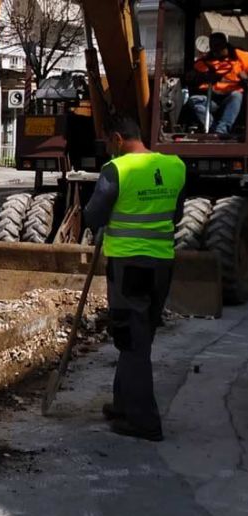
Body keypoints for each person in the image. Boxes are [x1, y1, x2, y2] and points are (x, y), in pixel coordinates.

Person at [84, 115, 186, 442]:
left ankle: (143, 421)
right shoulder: (175, 166)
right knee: (140, 336)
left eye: (107, 142)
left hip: (129, 265)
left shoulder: (117, 170)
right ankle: (124, 403)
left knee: (132, 339)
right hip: (162, 265)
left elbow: (93, 215)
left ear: (116, 138)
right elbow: (177, 213)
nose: (107, 148)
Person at [187, 32, 248, 135]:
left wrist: (244, 79)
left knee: (236, 95)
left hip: (231, 99)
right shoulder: (205, 61)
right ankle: (213, 130)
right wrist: (205, 77)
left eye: (219, 50)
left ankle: (222, 131)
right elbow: (191, 76)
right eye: (214, 50)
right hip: (212, 99)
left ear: (225, 46)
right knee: (194, 100)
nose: (216, 53)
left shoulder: (240, 57)